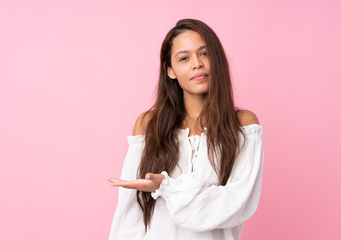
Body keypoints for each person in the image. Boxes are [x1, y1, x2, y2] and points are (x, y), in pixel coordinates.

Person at [108, 18, 265, 240]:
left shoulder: (243, 125)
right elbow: (131, 212)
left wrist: (166, 187)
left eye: (205, 53)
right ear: (170, 70)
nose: (197, 64)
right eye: (184, 58)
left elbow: (236, 204)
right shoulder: (149, 124)